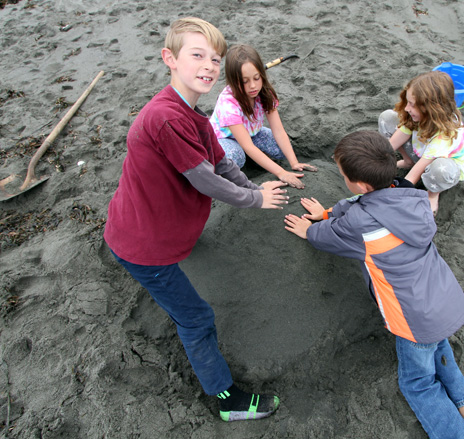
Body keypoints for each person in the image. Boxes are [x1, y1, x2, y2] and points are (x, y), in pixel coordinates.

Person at [104, 17, 286, 422]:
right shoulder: (166, 119)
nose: (208, 65)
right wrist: (254, 199)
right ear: (170, 58)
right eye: (197, 55)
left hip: (150, 220)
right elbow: (205, 180)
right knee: (196, 317)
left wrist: (258, 187)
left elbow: (220, 161)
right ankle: (226, 399)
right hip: (144, 246)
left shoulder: (192, 114)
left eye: (214, 58)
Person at [283, 131, 464, 439]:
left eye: (343, 175)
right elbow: (360, 205)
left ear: (360, 184)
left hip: (413, 318)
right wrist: (326, 212)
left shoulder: (361, 226)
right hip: (443, 299)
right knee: (439, 344)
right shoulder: (409, 195)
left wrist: (310, 230)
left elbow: (332, 235)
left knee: (418, 384)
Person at [210, 44, 317, 189]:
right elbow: (247, 146)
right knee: (236, 156)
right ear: (233, 81)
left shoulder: (265, 93)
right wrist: (281, 173)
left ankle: (256, 160)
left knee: (279, 149)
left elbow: (278, 130)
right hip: (224, 138)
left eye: (256, 78)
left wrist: (294, 162)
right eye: (245, 81)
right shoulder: (228, 104)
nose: (253, 86)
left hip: (252, 132)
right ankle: (217, 167)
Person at [378, 71, 464, 215]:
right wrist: (375, 159)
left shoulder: (445, 134)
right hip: (420, 151)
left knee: (440, 169)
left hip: (441, 166)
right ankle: (407, 161)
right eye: (407, 102)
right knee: (388, 118)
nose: (407, 108)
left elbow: (412, 178)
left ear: (431, 109)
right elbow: (395, 140)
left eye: (412, 105)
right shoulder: (417, 115)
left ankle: (433, 194)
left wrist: (391, 196)